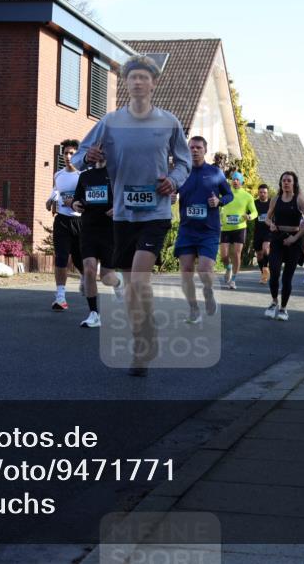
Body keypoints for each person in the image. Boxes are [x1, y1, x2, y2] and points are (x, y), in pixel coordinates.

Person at [73, 55, 191, 377]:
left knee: (139, 279)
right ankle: (143, 339)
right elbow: (78, 157)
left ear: (154, 83)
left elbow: (183, 162)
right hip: (123, 214)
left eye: (143, 77)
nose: (138, 82)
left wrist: (174, 180)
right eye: (132, 77)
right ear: (126, 83)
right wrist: (91, 156)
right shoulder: (110, 122)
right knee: (128, 285)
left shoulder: (169, 122)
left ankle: (143, 342)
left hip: (156, 211)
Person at [174, 136, 233, 324]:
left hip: (209, 230)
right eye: (191, 147)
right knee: (186, 270)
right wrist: (170, 197)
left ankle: (208, 292)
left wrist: (219, 201)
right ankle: (193, 309)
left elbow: (229, 194)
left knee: (205, 269)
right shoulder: (181, 173)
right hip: (187, 230)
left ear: (205, 150)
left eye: (198, 147)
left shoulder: (215, 173)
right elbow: (169, 191)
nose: (194, 150)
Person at [71, 159, 124, 327]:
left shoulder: (117, 173)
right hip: (88, 228)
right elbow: (76, 198)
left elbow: (126, 197)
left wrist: (119, 207)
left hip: (110, 230)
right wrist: (75, 204)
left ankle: (118, 282)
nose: (100, 152)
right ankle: (94, 314)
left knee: (107, 277)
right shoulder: (85, 176)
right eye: (97, 149)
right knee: (89, 269)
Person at [264, 171, 304, 321]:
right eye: (283, 180)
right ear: (280, 183)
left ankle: (283, 309)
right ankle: (274, 302)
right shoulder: (275, 199)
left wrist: (296, 238)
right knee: (274, 272)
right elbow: (267, 218)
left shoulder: (299, 200)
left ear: (294, 184)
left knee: (287, 278)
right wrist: (271, 224)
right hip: (278, 239)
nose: (286, 183)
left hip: (294, 240)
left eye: (289, 181)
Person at [46, 139, 84, 311]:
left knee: (80, 259)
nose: (68, 156)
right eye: (66, 153)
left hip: (80, 221)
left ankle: (86, 278)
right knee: (61, 258)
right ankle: (60, 297)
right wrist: (50, 199)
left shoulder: (83, 175)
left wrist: (75, 203)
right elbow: (56, 191)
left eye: (72, 153)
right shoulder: (58, 174)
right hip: (62, 221)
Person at [218, 172, 256, 290]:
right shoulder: (226, 194)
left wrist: (249, 217)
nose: (235, 181)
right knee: (224, 255)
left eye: (237, 180)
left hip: (240, 228)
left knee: (236, 253)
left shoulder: (247, 196)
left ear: (242, 182)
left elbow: (255, 212)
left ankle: (233, 280)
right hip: (226, 228)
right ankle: (228, 268)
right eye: (233, 179)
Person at [253, 183, 272, 284]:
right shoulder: (254, 203)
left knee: (266, 248)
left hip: (268, 231)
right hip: (258, 231)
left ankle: (265, 267)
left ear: (267, 193)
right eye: (260, 192)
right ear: (258, 193)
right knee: (259, 255)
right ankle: (263, 273)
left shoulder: (271, 203)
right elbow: (249, 213)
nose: (262, 194)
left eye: (264, 192)